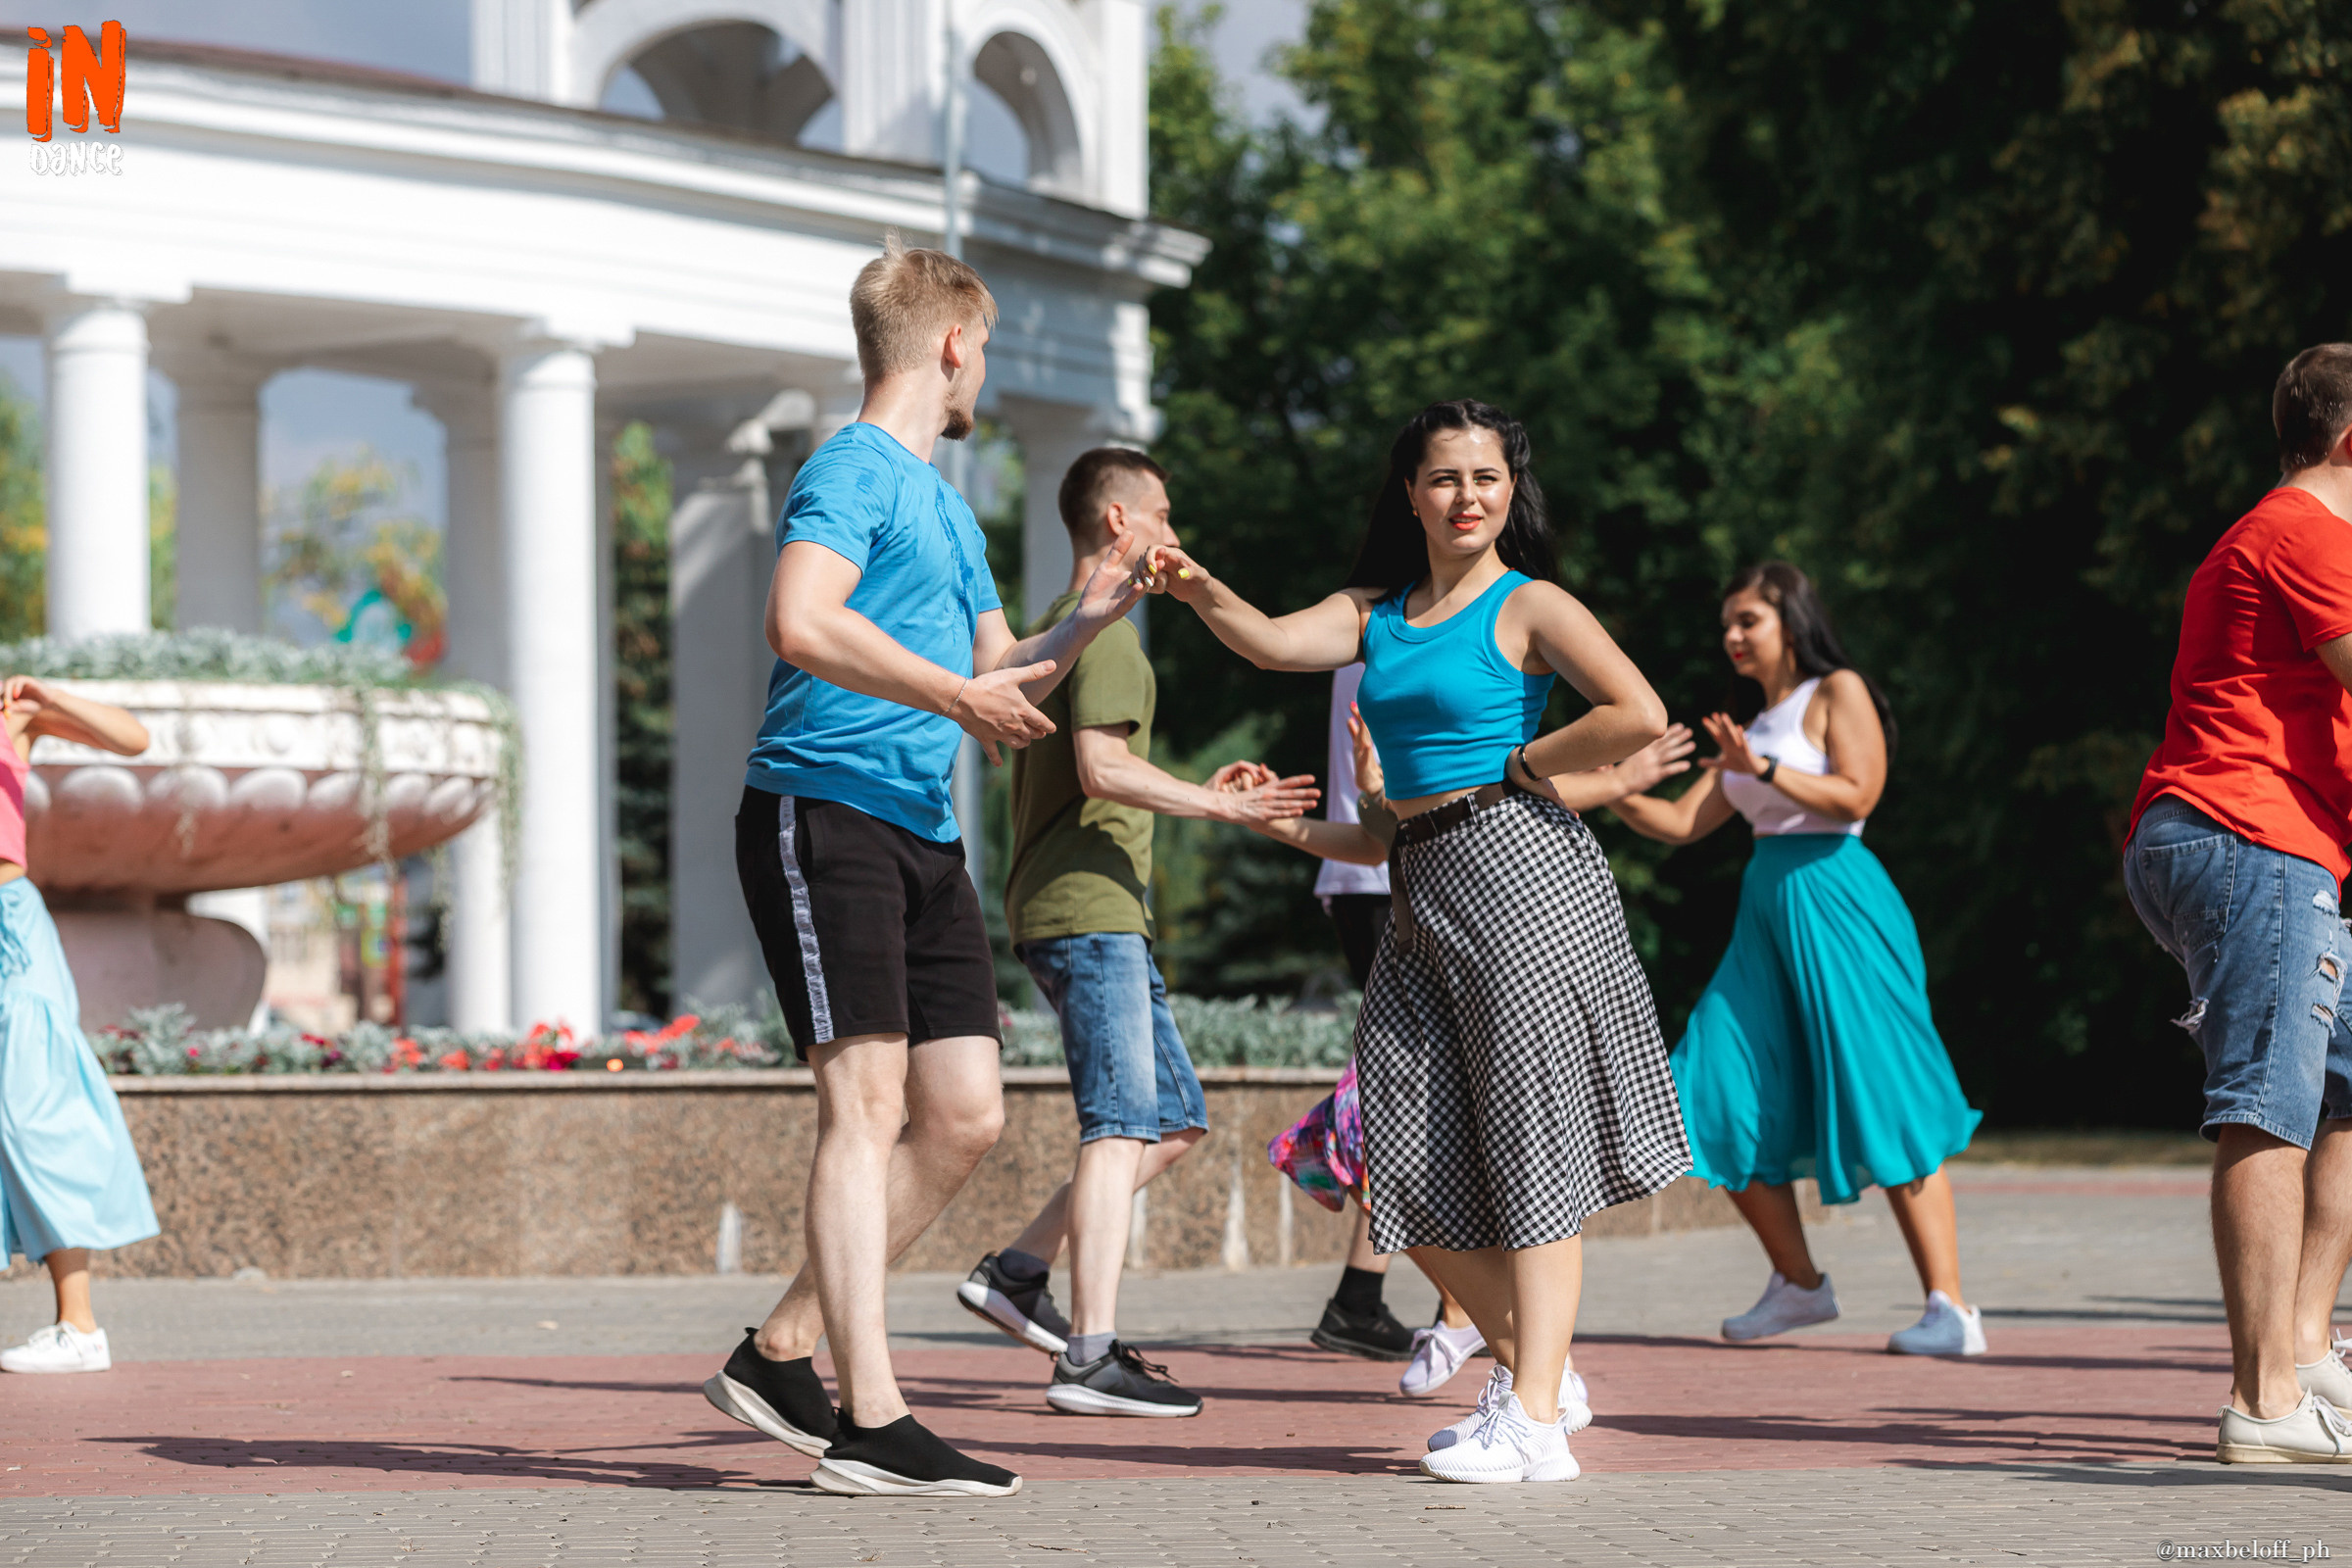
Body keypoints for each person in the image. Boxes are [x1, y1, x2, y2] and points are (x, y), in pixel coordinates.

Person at [1152, 398, 1690, 1486]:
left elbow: (1636, 709)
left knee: (1535, 1146)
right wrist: (1191, 582)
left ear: (1510, 488)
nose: (1467, 497)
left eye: (1486, 477)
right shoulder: (1376, 614)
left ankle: (1534, 1416)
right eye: (1444, 477)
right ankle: (1545, 1374)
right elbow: (1268, 643)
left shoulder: (1528, 604)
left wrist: (1536, 767)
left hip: (1525, 878)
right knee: (1390, 1151)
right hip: (1422, 881)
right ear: (1411, 491)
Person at [702, 234, 1154, 1498]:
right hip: (821, 809)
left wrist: (1092, 608)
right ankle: (869, 1417)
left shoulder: (948, 506)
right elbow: (800, 617)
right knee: (867, 1110)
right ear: (953, 341)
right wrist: (955, 692)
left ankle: (783, 1347)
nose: (985, 376)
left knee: (963, 1116)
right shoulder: (850, 468)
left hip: (921, 831)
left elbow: (1008, 674)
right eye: (986, 350)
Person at [953, 446, 1319, 1418]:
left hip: (1093, 913)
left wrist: (1205, 796)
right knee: (1121, 1125)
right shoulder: (1108, 638)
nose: (1174, 534)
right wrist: (1213, 804)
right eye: (1163, 513)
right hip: (1090, 915)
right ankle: (1090, 1354)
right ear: (1120, 524)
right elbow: (1102, 770)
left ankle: (1019, 1275)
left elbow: (1104, 771)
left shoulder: (1062, 637)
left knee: (1172, 1121)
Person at [1604, 564, 1986, 1356]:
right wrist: (1606, 785)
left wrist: (1764, 769)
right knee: (1706, 1086)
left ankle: (1950, 1309)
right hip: (1766, 910)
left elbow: (1859, 795)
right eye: (1726, 626)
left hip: (1838, 897)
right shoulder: (1753, 724)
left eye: (1748, 620)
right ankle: (1799, 1286)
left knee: (1886, 1090)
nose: (1732, 638)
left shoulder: (1835, 691)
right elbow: (1679, 826)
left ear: (1789, 619)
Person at [2121, 343, 2352, 1465]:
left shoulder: (2291, 536)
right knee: (2270, 1098)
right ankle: (2262, 1401)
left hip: (2277, 842)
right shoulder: (2308, 531)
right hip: (2251, 837)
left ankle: (2304, 1345)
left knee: (2346, 1086)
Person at [1247, 691, 1492, 1398]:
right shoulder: (1386, 653)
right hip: (1409, 954)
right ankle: (1483, 1327)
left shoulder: (1481, 701)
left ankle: (1523, 1360)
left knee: (1445, 1157)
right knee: (1355, 1146)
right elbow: (1376, 842)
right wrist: (1281, 819)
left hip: (1478, 956)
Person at [0, 675, 157, 1375]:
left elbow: (133, 738)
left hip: (11, 932)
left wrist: (48, 699)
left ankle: (80, 1328)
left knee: (35, 1114)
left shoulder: (13, 715)